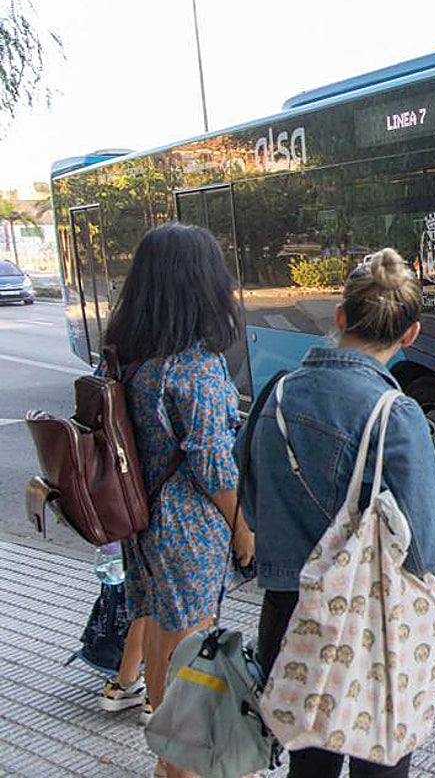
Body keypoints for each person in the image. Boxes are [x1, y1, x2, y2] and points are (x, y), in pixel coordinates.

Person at [239, 247, 435, 778]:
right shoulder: (396, 415)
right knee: (379, 762)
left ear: (339, 317)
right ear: (411, 334)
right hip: (369, 626)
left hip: (288, 620)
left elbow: (251, 502)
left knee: (307, 769)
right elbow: (427, 548)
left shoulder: (277, 393)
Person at [102, 222, 255, 778]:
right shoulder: (195, 366)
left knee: (165, 632)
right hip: (187, 525)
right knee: (193, 642)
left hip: (142, 522)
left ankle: (170, 762)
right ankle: (185, 767)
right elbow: (214, 465)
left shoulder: (129, 358)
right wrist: (242, 531)